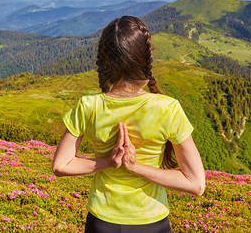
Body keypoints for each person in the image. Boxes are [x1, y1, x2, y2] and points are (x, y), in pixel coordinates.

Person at [52, 16, 205, 232]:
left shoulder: (88, 106)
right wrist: (135, 166)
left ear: (104, 60)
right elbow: (196, 184)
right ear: (145, 58)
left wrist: (107, 162)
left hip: (102, 222)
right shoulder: (168, 108)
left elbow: (60, 166)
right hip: (152, 223)